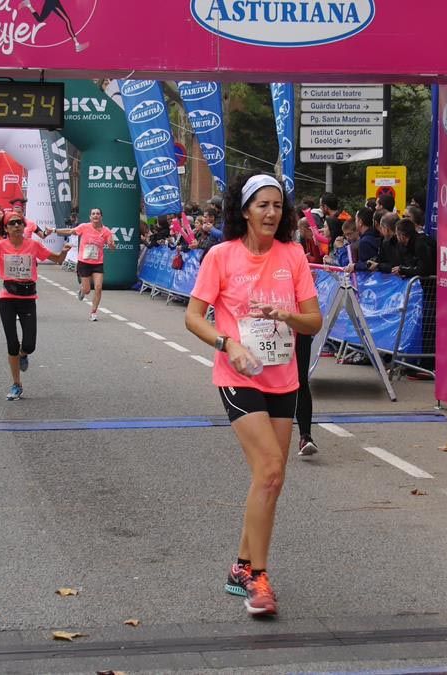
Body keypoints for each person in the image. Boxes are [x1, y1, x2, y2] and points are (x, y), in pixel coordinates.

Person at [184, 173, 322, 617]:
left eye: (277, 206)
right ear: (244, 210)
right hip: (238, 374)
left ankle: (241, 567)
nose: (270, 213)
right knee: (268, 470)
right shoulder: (221, 256)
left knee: (272, 478)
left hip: (283, 377)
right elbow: (193, 317)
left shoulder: (293, 254)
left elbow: (314, 321)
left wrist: (286, 313)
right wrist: (229, 344)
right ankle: (258, 580)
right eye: (262, 205)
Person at [0, 211, 71, 400]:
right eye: (12, 223)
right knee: (12, 343)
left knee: (29, 344)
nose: (16, 226)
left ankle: (24, 354)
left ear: (24, 227)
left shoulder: (33, 245)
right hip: (8, 298)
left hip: (28, 298)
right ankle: (16, 383)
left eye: (19, 223)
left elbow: (57, 259)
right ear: (6, 228)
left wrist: (64, 252)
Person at [56, 207, 115, 322]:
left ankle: (93, 312)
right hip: (84, 263)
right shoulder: (84, 227)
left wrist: (112, 245)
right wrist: (54, 230)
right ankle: (82, 290)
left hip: (98, 263)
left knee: (98, 287)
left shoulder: (106, 231)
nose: (95, 215)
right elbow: (70, 231)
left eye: (98, 214)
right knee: (87, 290)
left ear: (101, 217)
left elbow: (112, 248)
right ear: (90, 217)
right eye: (93, 214)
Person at [18, 0, 88, 51]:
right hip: (53, 2)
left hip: (51, 2)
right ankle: (77, 44)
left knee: (40, 19)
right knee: (67, 21)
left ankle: (28, 4)